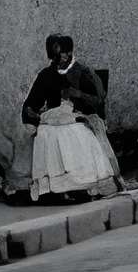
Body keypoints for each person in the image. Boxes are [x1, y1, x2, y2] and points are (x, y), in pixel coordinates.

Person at [14, 35, 121, 202]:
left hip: (80, 117)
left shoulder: (82, 72)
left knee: (72, 133)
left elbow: (98, 100)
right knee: (45, 134)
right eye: (58, 55)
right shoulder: (46, 75)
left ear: (70, 52)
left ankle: (80, 185)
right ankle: (54, 188)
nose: (63, 57)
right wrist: (32, 113)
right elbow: (33, 102)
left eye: (65, 53)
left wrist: (77, 94)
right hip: (53, 120)